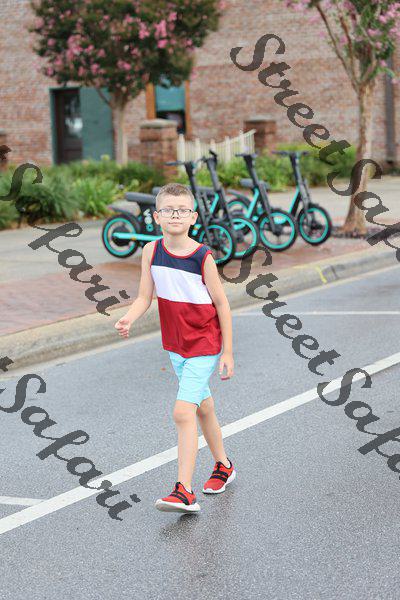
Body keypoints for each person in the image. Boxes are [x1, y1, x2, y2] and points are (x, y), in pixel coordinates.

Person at [114, 182, 235, 513]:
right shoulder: (151, 251)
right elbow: (144, 297)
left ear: (193, 217)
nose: (175, 215)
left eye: (182, 210)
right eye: (168, 210)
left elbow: (222, 304)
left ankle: (184, 491)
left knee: (183, 412)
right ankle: (224, 466)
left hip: (204, 342)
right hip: (176, 345)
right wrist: (128, 318)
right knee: (203, 407)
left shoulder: (202, 257)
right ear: (156, 216)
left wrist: (227, 351)